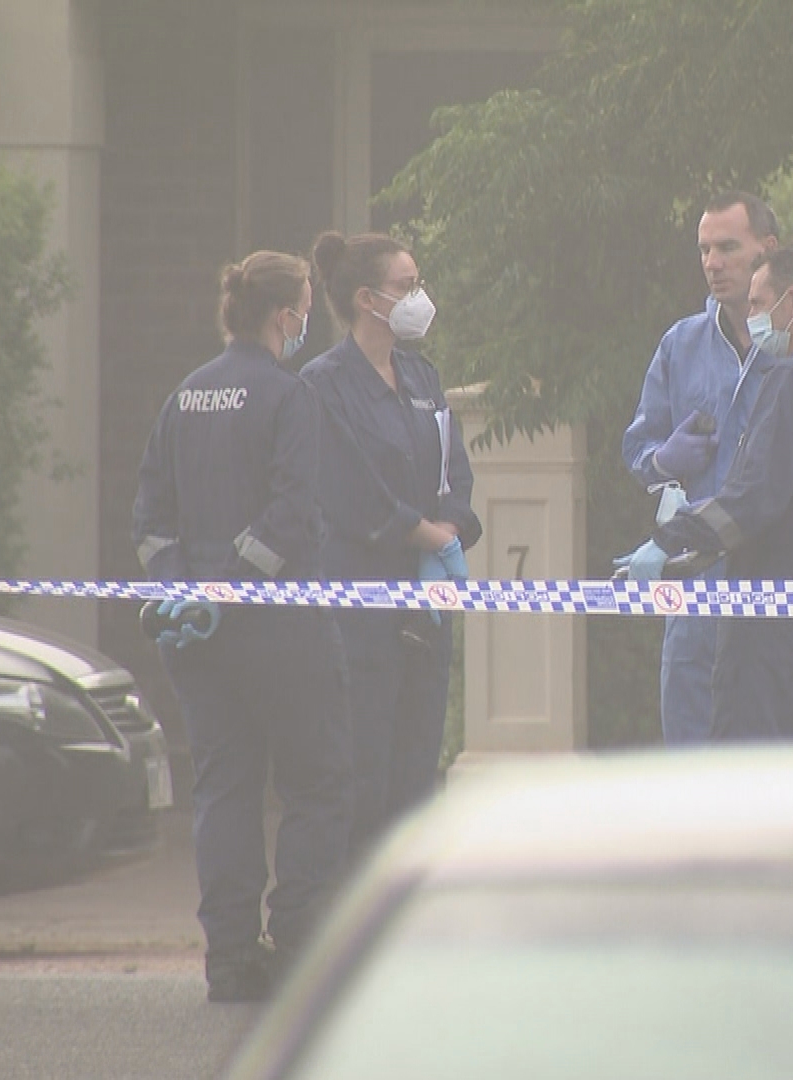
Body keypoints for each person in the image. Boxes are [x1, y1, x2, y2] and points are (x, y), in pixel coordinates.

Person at [130, 251, 352, 1003]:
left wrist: (184, 592)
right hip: (281, 630)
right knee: (314, 786)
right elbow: (294, 511)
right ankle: (293, 949)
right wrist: (236, 584)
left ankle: (228, 961)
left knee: (224, 789)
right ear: (283, 315)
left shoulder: (183, 397)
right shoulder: (291, 398)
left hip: (196, 637)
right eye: (306, 307)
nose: (307, 322)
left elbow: (150, 520)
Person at [620, 246, 793, 740]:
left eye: (760, 305)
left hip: (772, 632)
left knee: (749, 795)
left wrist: (671, 539)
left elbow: (753, 500)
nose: (753, 317)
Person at [302, 230, 481, 861]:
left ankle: (410, 922)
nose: (418, 297)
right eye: (406, 286)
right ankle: (351, 919)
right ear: (366, 299)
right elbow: (346, 485)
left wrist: (451, 527)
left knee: (415, 774)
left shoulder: (423, 376)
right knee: (363, 775)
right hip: (363, 607)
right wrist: (419, 529)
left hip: (423, 609)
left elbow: (453, 469)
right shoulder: (324, 385)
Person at [621, 191, 780, 744]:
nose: (713, 263)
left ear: (768, 251)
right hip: (694, 596)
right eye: (704, 249)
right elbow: (639, 451)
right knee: (692, 775)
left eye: (728, 247)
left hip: (773, 592)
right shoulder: (681, 344)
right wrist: (663, 459)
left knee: (767, 783)